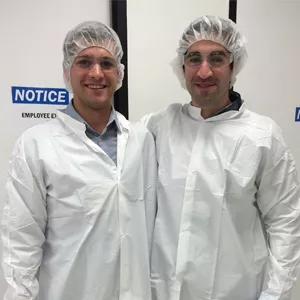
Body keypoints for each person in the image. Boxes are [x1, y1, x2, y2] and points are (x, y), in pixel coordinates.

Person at [143, 15, 300, 300]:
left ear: (233, 66)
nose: (204, 72)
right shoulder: (160, 126)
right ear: (182, 67)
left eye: (216, 59)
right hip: (164, 290)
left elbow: (285, 222)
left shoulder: (262, 136)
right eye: (194, 59)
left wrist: (275, 295)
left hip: (235, 291)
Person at [2, 21, 157, 300]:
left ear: (119, 73)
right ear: (67, 71)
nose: (96, 73)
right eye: (84, 62)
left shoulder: (142, 140)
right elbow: (21, 242)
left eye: (106, 63)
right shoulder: (36, 145)